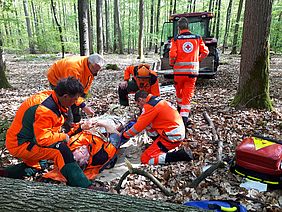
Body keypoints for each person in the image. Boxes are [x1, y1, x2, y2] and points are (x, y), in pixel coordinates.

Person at [0, 77, 96, 188]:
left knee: (38, 165)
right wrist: (62, 136)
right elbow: (43, 139)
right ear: (65, 97)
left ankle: (5, 174)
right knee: (61, 151)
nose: (75, 102)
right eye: (74, 100)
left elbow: (51, 129)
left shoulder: (53, 96)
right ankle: (86, 187)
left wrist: (79, 126)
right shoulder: (46, 110)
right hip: (21, 144)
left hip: (25, 139)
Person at [121, 90, 193, 165]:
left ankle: (179, 155)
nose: (140, 107)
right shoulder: (157, 100)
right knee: (148, 126)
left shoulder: (150, 106)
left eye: (138, 105)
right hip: (175, 132)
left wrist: (125, 135)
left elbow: (138, 127)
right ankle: (158, 144)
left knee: (145, 159)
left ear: (140, 100)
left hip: (171, 137)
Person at [169, 17, 209, 126]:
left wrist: (172, 63)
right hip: (192, 73)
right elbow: (206, 51)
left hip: (178, 73)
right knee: (187, 94)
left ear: (178, 28)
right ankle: (184, 117)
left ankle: (180, 112)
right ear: (188, 26)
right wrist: (198, 59)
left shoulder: (176, 39)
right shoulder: (197, 38)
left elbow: (172, 55)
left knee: (179, 93)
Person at [47, 53, 106, 125]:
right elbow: (70, 91)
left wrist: (83, 97)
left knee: (77, 100)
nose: (97, 72)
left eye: (98, 70)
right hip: (56, 79)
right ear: (89, 63)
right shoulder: (74, 69)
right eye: (95, 69)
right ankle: (68, 124)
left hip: (72, 79)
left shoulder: (91, 67)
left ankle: (76, 120)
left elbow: (88, 80)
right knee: (67, 102)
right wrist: (83, 106)